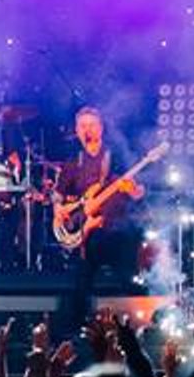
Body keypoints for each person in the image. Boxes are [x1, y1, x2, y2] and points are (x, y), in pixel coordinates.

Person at [53, 106, 146, 304]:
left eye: (92, 125)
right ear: (77, 131)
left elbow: (139, 194)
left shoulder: (117, 156)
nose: (87, 130)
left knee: (127, 283)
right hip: (88, 233)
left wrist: (132, 190)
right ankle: (81, 327)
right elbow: (57, 194)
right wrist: (58, 209)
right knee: (80, 285)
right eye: (83, 126)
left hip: (118, 228)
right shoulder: (73, 162)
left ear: (101, 128)